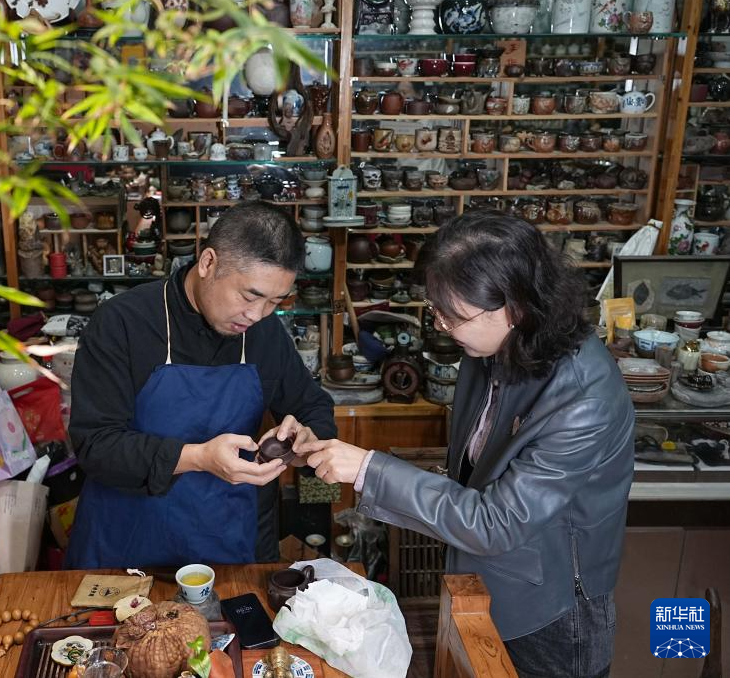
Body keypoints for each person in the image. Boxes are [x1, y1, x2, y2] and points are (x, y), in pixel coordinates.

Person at [297, 209, 634, 678]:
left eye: (451, 315)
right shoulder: (492, 348)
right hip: (483, 577)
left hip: (551, 610)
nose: (440, 325)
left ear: (512, 307)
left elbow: (497, 521)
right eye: (435, 309)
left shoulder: (583, 399)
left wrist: (368, 469)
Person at [66, 201, 337, 568]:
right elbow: (96, 445)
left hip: (229, 545)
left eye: (275, 302)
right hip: (126, 546)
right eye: (250, 296)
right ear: (208, 262)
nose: (257, 315)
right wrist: (198, 458)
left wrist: (304, 438)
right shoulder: (123, 323)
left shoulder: (265, 334)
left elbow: (314, 407)